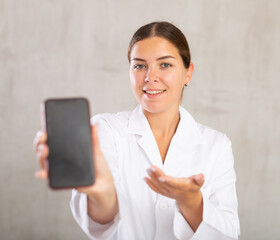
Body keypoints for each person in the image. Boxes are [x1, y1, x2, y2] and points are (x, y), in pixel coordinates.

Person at [34, 21, 240, 240]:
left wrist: (192, 202)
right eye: (140, 65)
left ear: (188, 73)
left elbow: (229, 233)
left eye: (165, 65)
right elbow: (99, 220)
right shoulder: (105, 130)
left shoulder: (217, 145)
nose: (150, 77)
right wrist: (102, 193)